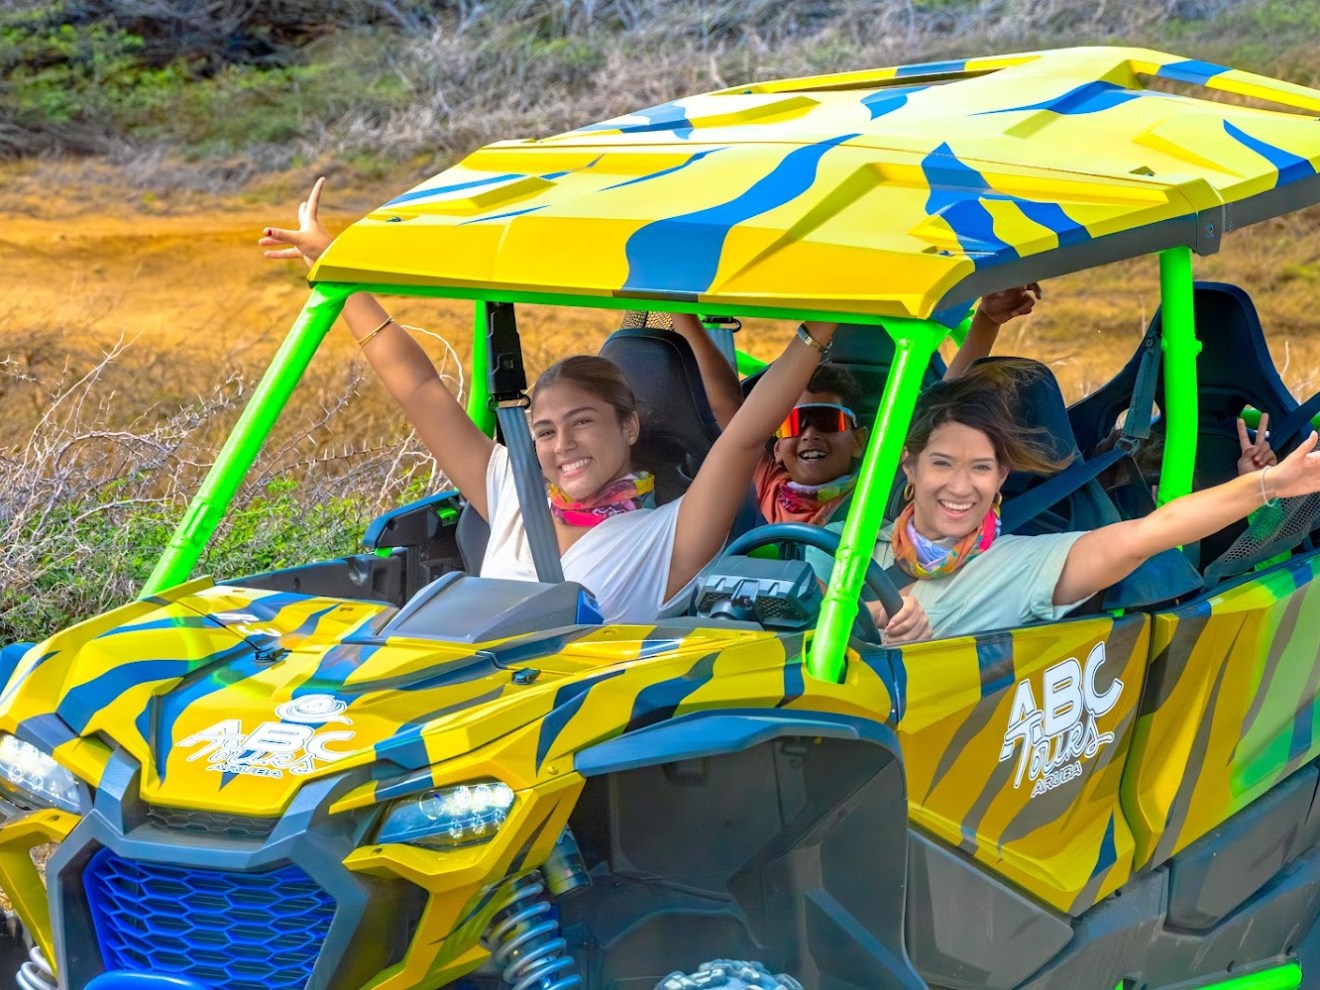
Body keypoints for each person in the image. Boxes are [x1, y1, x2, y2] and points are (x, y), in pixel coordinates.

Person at [259, 178, 846, 625]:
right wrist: (334, 269)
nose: (562, 444)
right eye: (543, 430)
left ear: (629, 426)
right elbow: (419, 389)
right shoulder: (512, 490)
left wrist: (818, 330)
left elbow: (743, 437)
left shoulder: (670, 536)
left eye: (582, 422)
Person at [827, 360, 1320, 643]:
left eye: (980, 468)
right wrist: (861, 613)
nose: (960, 486)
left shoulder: (1022, 565)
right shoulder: (839, 544)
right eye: (942, 464)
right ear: (909, 466)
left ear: (1000, 478)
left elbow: (1148, 533)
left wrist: (1269, 485)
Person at [667, 285, 1042, 527]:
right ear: (777, 447)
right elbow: (727, 410)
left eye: (827, 420)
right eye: (796, 425)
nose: (811, 434)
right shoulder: (764, 481)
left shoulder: (876, 480)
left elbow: (944, 408)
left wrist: (986, 322)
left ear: (860, 440)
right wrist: (677, 309)